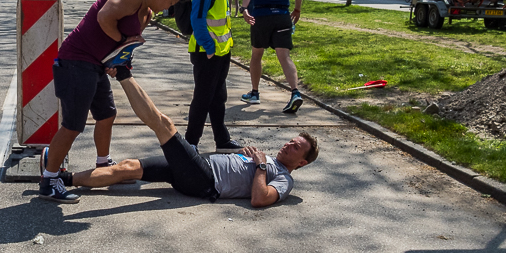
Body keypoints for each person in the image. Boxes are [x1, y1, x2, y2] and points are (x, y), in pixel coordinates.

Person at [63, 67, 318, 206]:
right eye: (291, 141)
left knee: (164, 124)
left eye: (296, 147)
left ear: (302, 162)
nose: (288, 145)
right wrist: (245, 156)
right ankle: (63, 179)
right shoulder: (271, 160)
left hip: (205, 180)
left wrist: (261, 165)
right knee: (127, 167)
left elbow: (260, 198)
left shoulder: (284, 179)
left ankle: (122, 72)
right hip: (199, 164)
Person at [38, 0, 190, 202]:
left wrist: (117, 60)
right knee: (73, 125)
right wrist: (120, 44)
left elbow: (122, 43)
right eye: (171, 3)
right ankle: (49, 180)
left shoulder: (146, 13)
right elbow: (104, 18)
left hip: (97, 64)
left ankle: (102, 163)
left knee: (107, 114)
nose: (168, 8)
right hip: (77, 60)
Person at [185, 0, 242, 153]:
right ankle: (190, 143)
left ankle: (222, 139)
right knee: (203, 98)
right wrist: (209, 46)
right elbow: (197, 18)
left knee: (218, 97)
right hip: (207, 51)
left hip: (219, 51)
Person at [240, 0, 305, 113]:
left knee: (256, 54)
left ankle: (254, 93)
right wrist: (297, 9)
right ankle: (295, 92)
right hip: (283, 14)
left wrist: (244, 7)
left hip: (261, 15)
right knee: (284, 56)